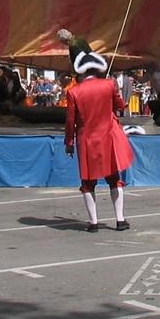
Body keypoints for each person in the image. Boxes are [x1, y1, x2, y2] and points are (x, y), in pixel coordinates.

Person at [64, 49, 134, 232]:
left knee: (88, 183)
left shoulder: (73, 92)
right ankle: (120, 220)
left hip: (86, 140)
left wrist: (69, 143)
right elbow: (120, 106)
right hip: (108, 137)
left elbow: (70, 121)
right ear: (98, 69)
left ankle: (93, 223)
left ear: (81, 71)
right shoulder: (109, 84)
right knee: (114, 179)